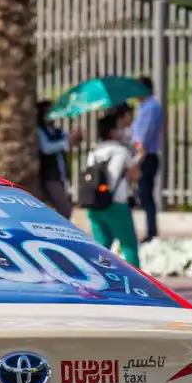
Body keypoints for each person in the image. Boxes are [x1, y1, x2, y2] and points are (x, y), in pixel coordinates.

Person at [79, 106, 142, 266]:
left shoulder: (94, 152)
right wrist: (139, 156)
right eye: (120, 128)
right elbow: (136, 174)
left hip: (95, 204)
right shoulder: (121, 151)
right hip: (116, 204)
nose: (122, 131)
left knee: (102, 246)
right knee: (129, 244)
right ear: (113, 132)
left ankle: (103, 276)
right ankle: (136, 282)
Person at [128, 75, 164, 242]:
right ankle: (148, 230)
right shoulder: (144, 107)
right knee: (141, 194)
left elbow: (144, 133)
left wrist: (138, 151)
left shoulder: (151, 107)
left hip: (145, 156)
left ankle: (151, 232)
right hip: (141, 155)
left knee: (145, 194)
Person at [34, 99, 74, 217]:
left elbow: (67, 138)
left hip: (60, 174)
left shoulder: (56, 130)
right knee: (64, 209)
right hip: (50, 176)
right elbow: (46, 148)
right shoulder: (39, 130)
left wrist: (74, 137)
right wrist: (65, 142)